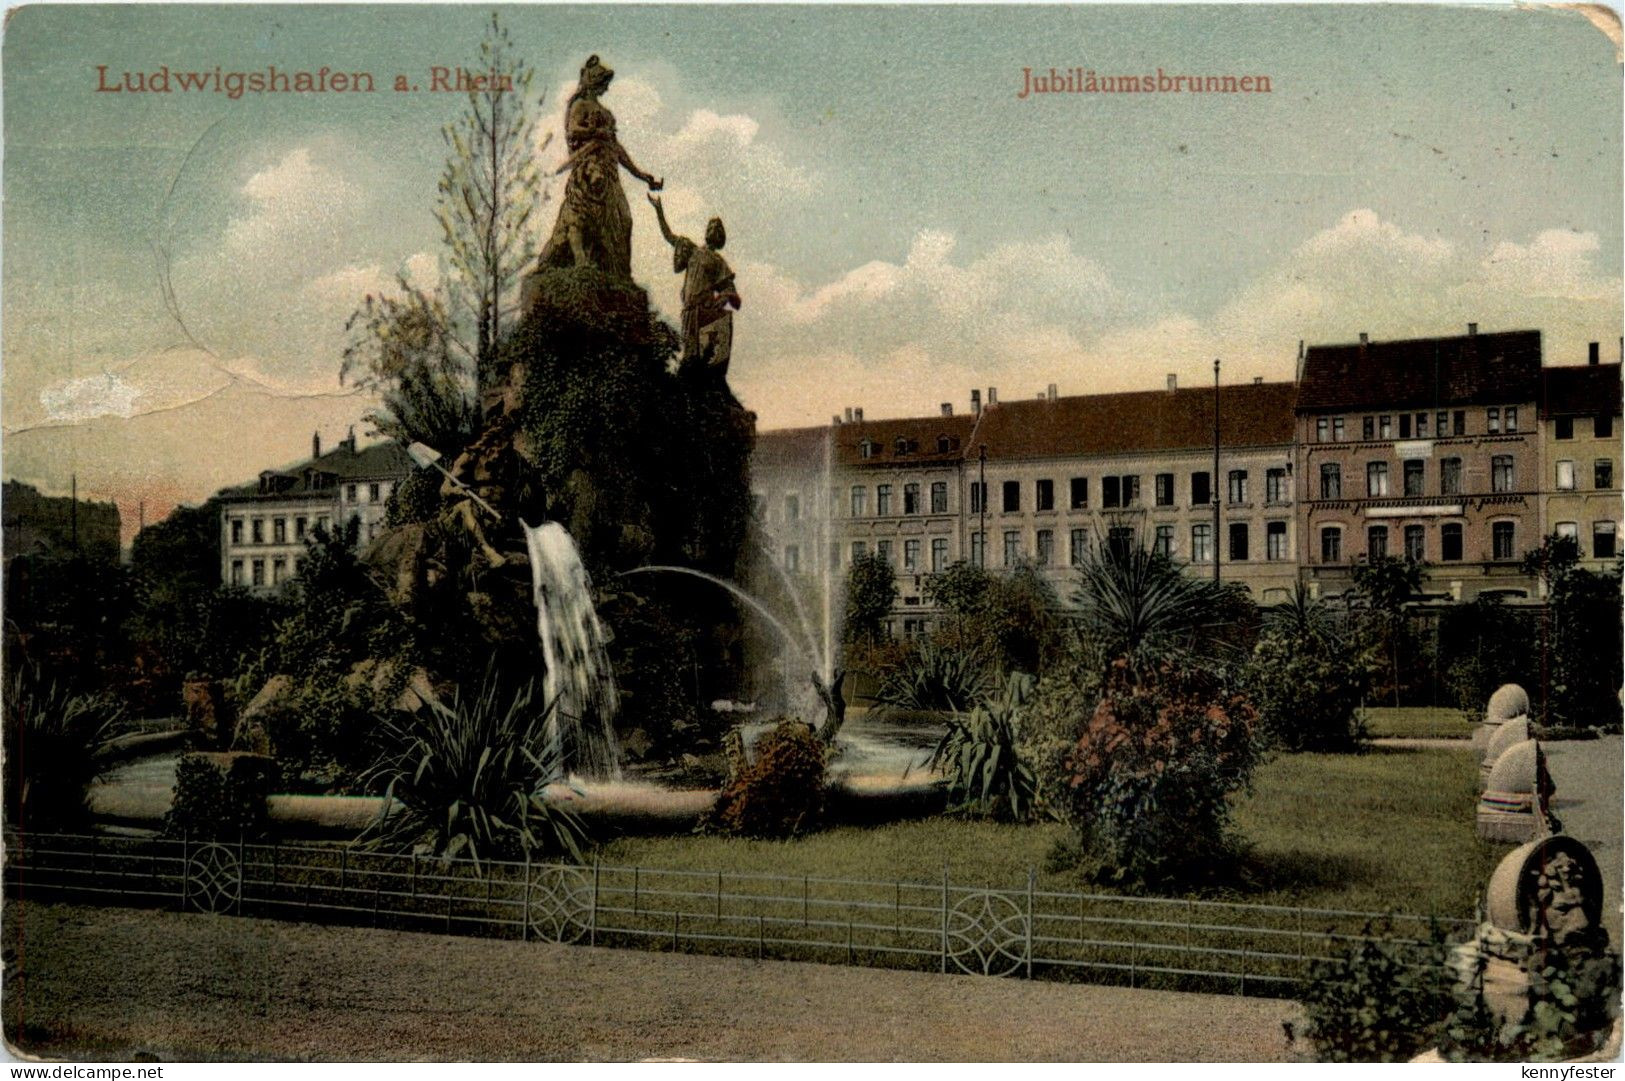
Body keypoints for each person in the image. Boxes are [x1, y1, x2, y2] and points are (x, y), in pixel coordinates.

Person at [535, 55, 662, 279]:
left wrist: (641, 175)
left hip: (610, 177)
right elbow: (573, 130)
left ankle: (620, 277)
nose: (606, 87)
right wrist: (597, 133)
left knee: (624, 221)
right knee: (582, 222)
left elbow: (617, 148)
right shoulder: (580, 105)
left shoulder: (605, 113)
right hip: (589, 172)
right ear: (594, 81)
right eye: (603, 82)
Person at [649, 193, 741, 377]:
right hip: (689, 311)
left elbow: (732, 293)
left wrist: (723, 298)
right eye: (711, 226)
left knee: (701, 358)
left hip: (704, 313)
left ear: (720, 237)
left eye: (717, 229)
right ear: (706, 232)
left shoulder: (718, 261)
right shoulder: (691, 250)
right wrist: (659, 211)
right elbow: (669, 236)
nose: (713, 230)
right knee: (689, 354)